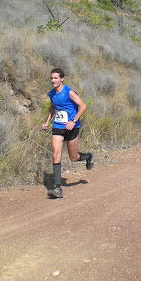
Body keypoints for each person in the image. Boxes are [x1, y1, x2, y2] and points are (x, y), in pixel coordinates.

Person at [42, 68, 93, 199]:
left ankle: (88, 156)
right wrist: (47, 121)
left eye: (56, 78)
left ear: (62, 79)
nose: (53, 80)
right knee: (56, 154)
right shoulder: (52, 94)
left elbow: (83, 106)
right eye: (52, 78)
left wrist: (73, 121)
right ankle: (57, 188)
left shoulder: (69, 92)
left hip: (72, 127)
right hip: (58, 127)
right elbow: (53, 107)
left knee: (73, 157)